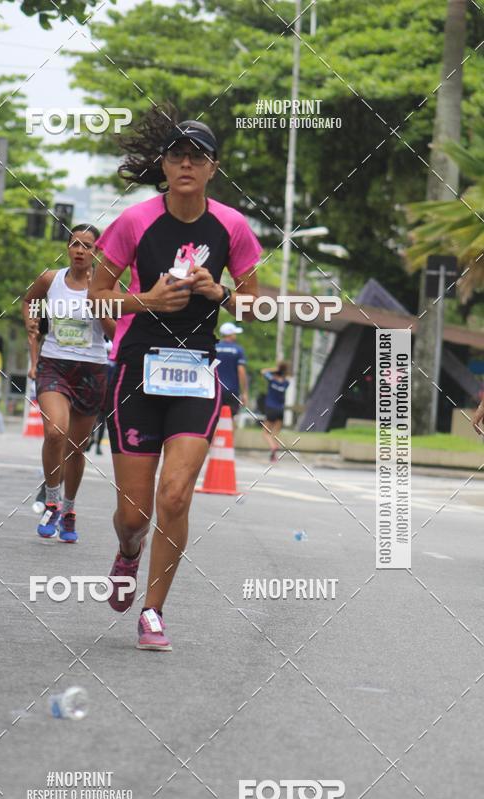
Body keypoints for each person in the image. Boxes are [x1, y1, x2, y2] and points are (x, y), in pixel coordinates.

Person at [90, 108, 261, 651]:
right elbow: (97, 297)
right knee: (133, 512)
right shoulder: (134, 222)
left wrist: (220, 294)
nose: (186, 165)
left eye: (198, 157)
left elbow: (256, 307)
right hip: (138, 372)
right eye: (177, 157)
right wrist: (145, 301)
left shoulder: (232, 226)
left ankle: (154, 612)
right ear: (163, 166)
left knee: (176, 496)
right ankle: (128, 551)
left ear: (213, 168)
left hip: (197, 375)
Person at [22, 224, 109, 543]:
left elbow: (116, 331)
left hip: (91, 369)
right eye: (74, 243)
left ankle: (69, 510)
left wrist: (100, 304)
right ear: (67, 247)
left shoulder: (107, 285)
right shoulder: (51, 279)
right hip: (54, 365)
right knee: (55, 431)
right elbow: (29, 303)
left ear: (97, 251)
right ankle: (53, 501)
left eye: (87, 245)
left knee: (76, 447)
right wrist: (33, 350)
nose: (80, 250)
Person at [214, 321, 248, 419]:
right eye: (234, 333)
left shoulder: (214, 347)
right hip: (232, 390)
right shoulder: (238, 350)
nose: (235, 335)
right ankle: (230, 435)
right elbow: (241, 371)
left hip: (215, 388)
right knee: (230, 417)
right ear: (230, 334)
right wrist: (244, 392)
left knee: (215, 417)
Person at [260, 362, 290, 461]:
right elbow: (286, 377)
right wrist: (281, 370)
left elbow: (263, 371)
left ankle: (273, 447)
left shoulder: (272, 379)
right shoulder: (286, 383)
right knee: (275, 433)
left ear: (277, 370)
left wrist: (274, 369)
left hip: (271, 408)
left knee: (265, 432)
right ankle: (274, 455)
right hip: (280, 410)